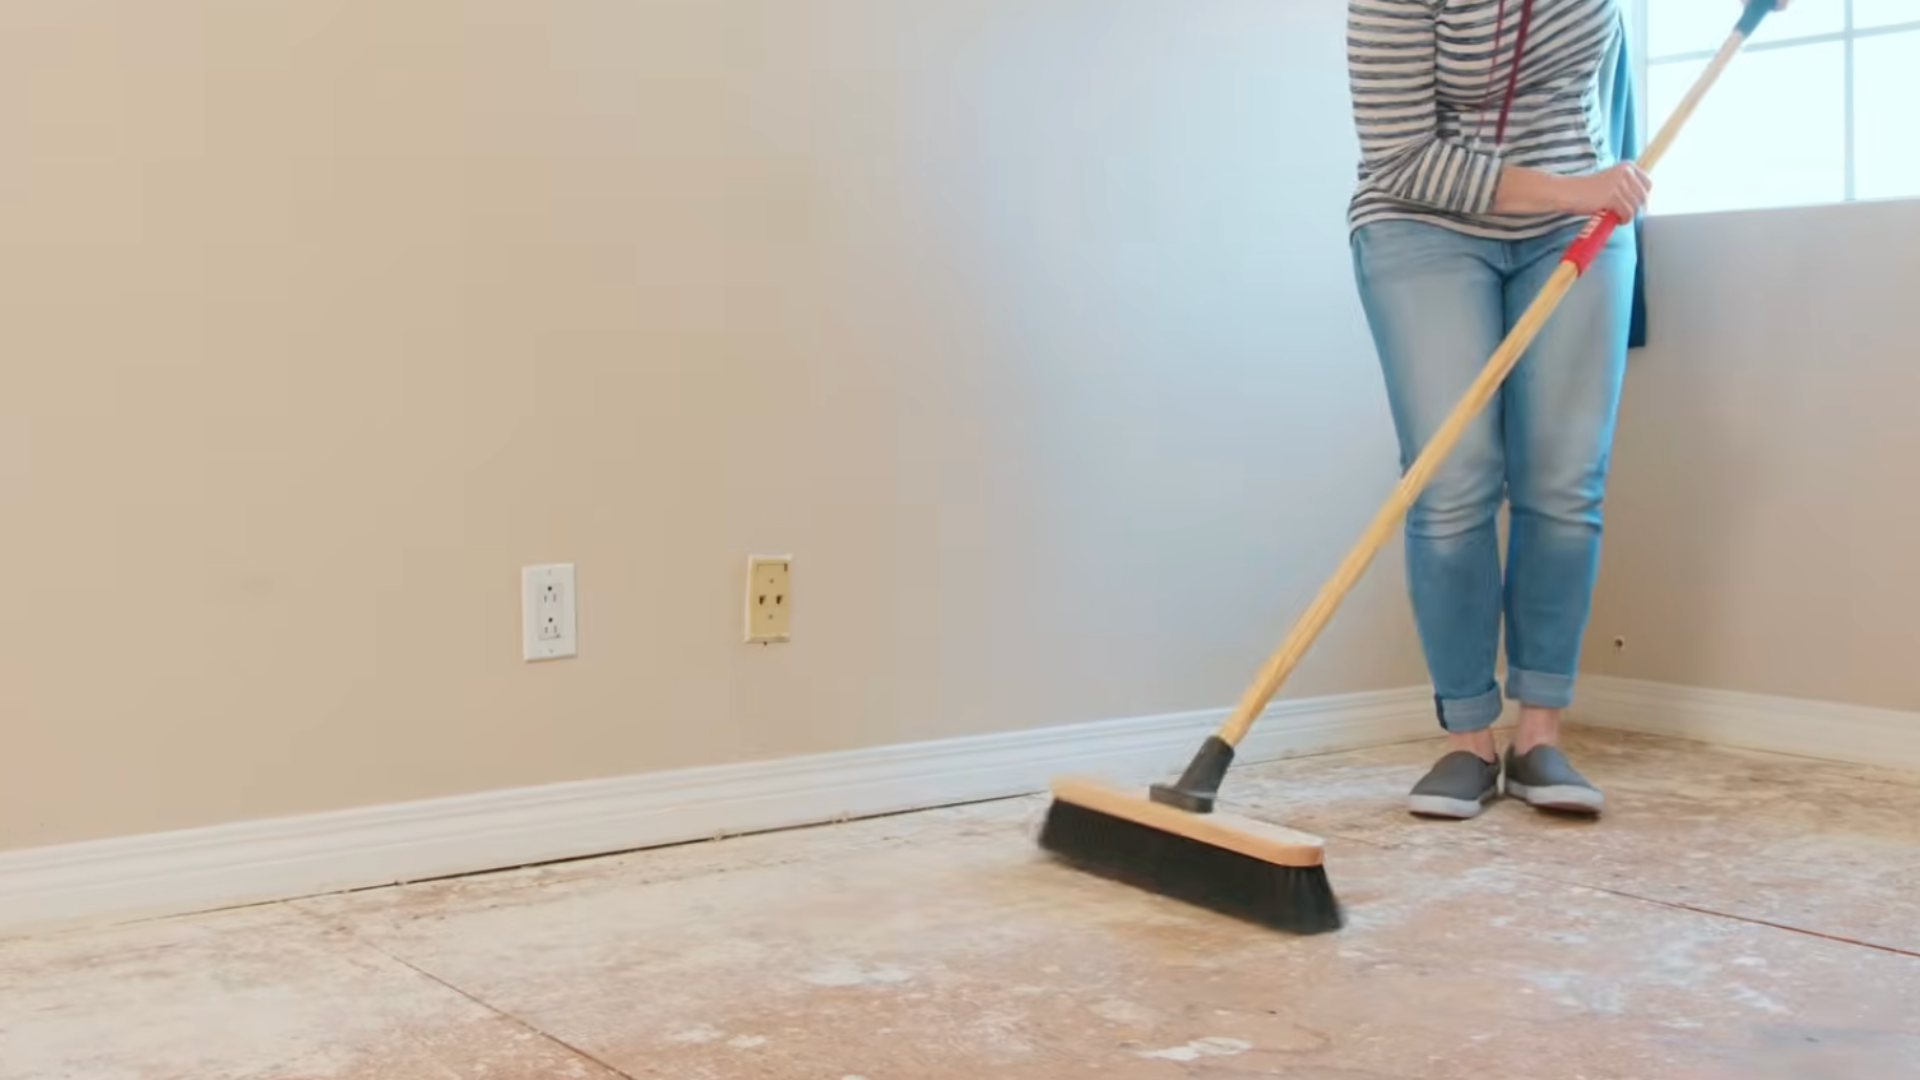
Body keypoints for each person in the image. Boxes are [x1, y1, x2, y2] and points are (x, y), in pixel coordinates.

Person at [1344, 0, 1786, 820]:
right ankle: (1466, 740)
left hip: (1578, 225)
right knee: (1451, 478)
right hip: (1423, 226)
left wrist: (1585, 194)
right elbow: (1400, 156)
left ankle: (1539, 736)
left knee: (1564, 476)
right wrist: (1575, 184)